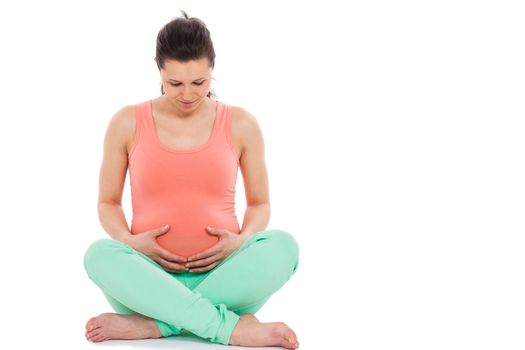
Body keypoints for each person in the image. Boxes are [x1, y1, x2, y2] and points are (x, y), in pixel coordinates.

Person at [82, 10, 300, 349]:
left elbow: (259, 203)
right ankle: (230, 328)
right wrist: (129, 240)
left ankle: (155, 325)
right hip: (147, 281)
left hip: (228, 280)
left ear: (212, 71)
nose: (188, 94)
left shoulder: (241, 123)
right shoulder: (126, 122)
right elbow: (108, 202)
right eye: (175, 84)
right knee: (98, 255)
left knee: (285, 247)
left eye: (199, 83)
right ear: (159, 72)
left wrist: (242, 240)